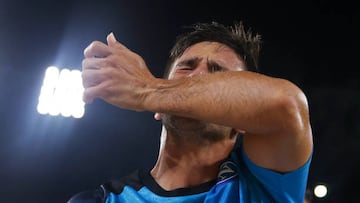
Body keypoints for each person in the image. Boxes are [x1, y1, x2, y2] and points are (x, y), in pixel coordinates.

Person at [68, 21, 313, 202]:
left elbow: (286, 103)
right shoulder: (103, 199)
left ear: (241, 120)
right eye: (186, 68)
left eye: (218, 74)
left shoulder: (263, 188)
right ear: (159, 110)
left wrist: (148, 89)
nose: (198, 76)